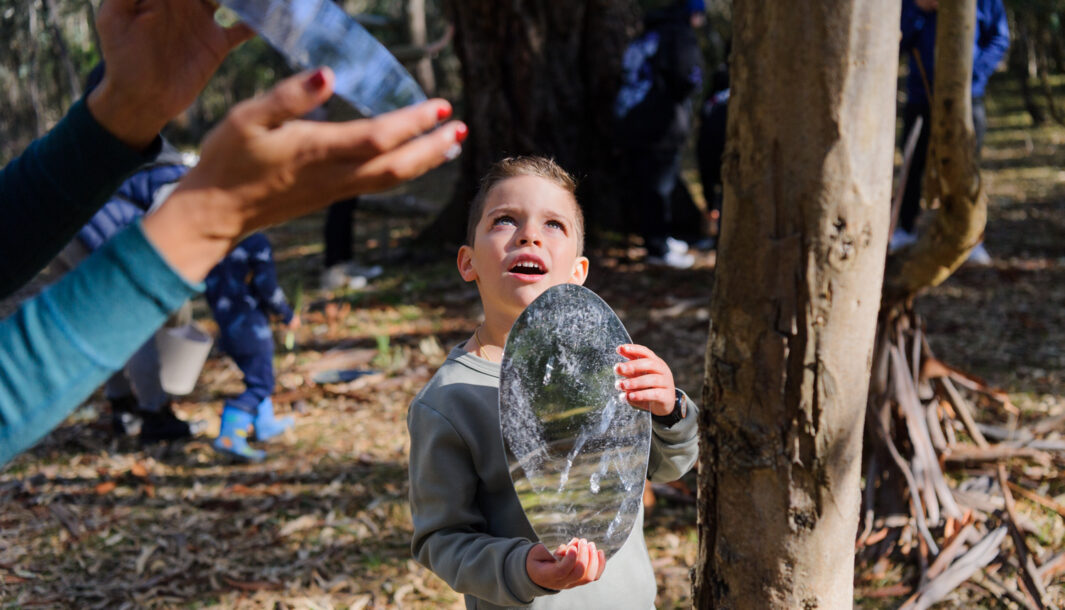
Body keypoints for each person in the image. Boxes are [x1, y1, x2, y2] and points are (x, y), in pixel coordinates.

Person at [0, 0, 468, 466]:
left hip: (88, 232)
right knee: (147, 336)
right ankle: (149, 409)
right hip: (101, 244)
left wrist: (123, 111)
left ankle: (136, 404)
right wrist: (208, 217)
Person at [407, 156, 699, 609]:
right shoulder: (448, 402)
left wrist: (669, 412)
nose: (529, 235)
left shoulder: (607, 364)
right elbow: (441, 540)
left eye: (554, 225)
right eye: (505, 221)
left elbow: (662, 467)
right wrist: (520, 568)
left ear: (578, 273)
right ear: (468, 263)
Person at [892, 0, 1009, 263]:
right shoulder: (912, 2)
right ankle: (905, 228)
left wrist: (970, 75)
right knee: (912, 163)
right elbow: (898, 40)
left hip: (968, 98)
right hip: (921, 96)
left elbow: (999, 40)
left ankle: (969, 236)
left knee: (966, 165)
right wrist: (920, 12)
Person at [614, 0, 706, 269]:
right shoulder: (679, 34)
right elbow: (686, 76)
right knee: (658, 187)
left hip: (632, 120)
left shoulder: (650, 32)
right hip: (660, 123)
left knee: (648, 184)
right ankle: (658, 247)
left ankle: (658, 237)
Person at [205, 233, 300, 461]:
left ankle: (264, 425)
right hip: (250, 325)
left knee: (256, 375)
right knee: (262, 385)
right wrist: (286, 314)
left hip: (227, 322)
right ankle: (229, 436)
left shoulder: (216, 238)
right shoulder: (255, 241)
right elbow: (266, 284)